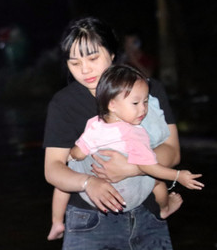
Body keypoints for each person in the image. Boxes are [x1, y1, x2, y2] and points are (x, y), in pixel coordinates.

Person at [43, 17, 180, 250]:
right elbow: (53, 168)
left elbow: (172, 150)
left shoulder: (148, 90)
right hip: (89, 223)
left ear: (112, 54)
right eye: (74, 62)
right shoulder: (64, 104)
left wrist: (133, 168)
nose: (85, 70)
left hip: (147, 219)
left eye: (93, 58)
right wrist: (88, 182)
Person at [47, 63, 203, 240]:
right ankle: (165, 208)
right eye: (136, 103)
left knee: (65, 179)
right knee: (157, 181)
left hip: (92, 194)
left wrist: (73, 157)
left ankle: (57, 221)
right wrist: (177, 176)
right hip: (124, 196)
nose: (143, 109)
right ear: (112, 104)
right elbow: (149, 167)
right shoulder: (135, 133)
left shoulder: (94, 123)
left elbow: (78, 152)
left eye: (145, 102)